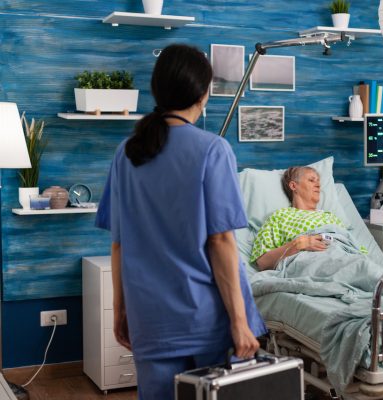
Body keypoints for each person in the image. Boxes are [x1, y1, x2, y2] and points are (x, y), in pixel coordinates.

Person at [98, 44, 266, 400]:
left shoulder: (126, 153)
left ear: (157, 91)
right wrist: (240, 321)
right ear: (204, 93)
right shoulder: (212, 150)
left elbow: (118, 243)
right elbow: (221, 242)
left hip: (150, 320)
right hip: (202, 322)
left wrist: (121, 309)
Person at [251, 166, 348, 270]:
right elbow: (262, 262)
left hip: (345, 259)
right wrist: (296, 245)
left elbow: (352, 246)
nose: (318, 185)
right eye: (311, 180)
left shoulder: (331, 217)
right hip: (310, 264)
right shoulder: (280, 216)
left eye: (318, 182)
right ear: (293, 186)